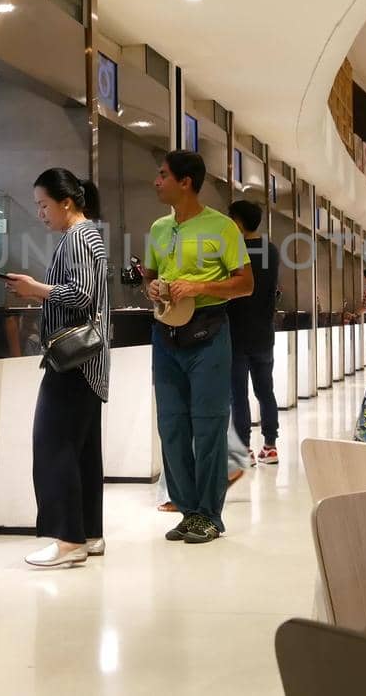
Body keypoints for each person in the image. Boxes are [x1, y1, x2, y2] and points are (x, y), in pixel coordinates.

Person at [143, 150, 253, 545]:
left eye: (162, 175)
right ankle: (188, 509)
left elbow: (246, 283)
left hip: (208, 333)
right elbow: (150, 278)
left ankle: (209, 515)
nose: (156, 182)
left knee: (208, 427)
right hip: (165, 335)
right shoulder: (158, 228)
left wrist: (201, 286)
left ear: (185, 182)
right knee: (171, 426)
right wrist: (153, 287)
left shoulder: (222, 227)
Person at [3, 168, 109, 567]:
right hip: (88, 361)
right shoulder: (90, 235)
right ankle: (90, 533)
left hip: (73, 361)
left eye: (44, 205)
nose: (41, 214)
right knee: (82, 450)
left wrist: (35, 289)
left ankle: (68, 540)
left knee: (54, 445)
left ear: (67, 202)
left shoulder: (79, 237)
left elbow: (80, 296)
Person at [226, 199, 281, 465]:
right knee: (265, 391)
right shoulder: (271, 250)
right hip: (264, 333)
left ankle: (243, 449)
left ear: (238, 221)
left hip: (236, 334)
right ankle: (270, 445)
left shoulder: (234, 252)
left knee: (239, 395)